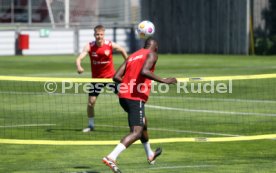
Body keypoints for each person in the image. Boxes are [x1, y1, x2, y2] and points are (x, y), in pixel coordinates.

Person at [102, 37, 177, 173]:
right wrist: (164, 80)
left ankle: (150, 154)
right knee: (136, 132)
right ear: (156, 47)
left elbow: (116, 76)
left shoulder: (133, 55)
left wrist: (128, 84)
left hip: (124, 97)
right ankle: (111, 157)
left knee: (143, 123)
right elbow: (145, 71)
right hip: (135, 98)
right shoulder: (152, 54)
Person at [76, 25, 128, 132]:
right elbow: (79, 58)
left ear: (104, 34)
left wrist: (128, 63)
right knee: (91, 103)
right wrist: (79, 66)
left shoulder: (109, 44)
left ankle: (134, 123)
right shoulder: (89, 46)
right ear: (94, 34)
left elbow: (122, 49)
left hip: (111, 79)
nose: (99, 36)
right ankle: (91, 126)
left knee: (126, 99)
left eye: (101, 34)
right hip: (96, 80)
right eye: (97, 34)